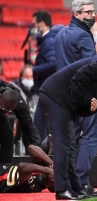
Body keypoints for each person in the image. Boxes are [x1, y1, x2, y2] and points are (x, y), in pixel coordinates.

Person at [38, 56, 97, 200]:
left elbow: (84, 106)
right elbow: (82, 75)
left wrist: (91, 109)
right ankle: (62, 189)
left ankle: (76, 187)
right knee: (64, 143)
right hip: (54, 95)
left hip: (62, 100)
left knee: (69, 143)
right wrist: (76, 101)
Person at [55, 0, 97, 197]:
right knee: (92, 137)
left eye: (93, 12)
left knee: (72, 139)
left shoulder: (60, 34)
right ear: (76, 14)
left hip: (66, 95)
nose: (92, 16)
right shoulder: (84, 36)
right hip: (84, 96)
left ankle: (72, 184)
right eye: (87, 12)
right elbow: (91, 68)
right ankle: (82, 182)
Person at [31, 11, 64, 142]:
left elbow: (53, 64)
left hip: (48, 89)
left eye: (34, 24)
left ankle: (41, 158)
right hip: (48, 89)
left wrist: (34, 69)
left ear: (42, 24)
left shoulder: (48, 41)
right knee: (42, 125)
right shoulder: (46, 41)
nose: (32, 28)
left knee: (40, 125)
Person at [0, 79, 41, 163]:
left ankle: (6, 168)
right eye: (5, 109)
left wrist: (37, 146)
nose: (7, 112)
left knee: (8, 134)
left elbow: (28, 125)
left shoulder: (20, 103)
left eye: (9, 111)